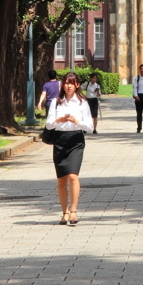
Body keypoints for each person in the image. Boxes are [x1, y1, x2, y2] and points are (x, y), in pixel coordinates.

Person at [45, 71, 93, 225]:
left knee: (73, 176)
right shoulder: (56, 102)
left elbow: (90, 126)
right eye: (66, 83)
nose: (69, 86)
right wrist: (58, 120)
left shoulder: (82, 102)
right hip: (60, 140)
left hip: (76, 140)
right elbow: (48, 124)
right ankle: (64, 212)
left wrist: (77, 122)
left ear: (77, 85)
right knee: (61, 179)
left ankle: (73, 211)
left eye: (72, 83)